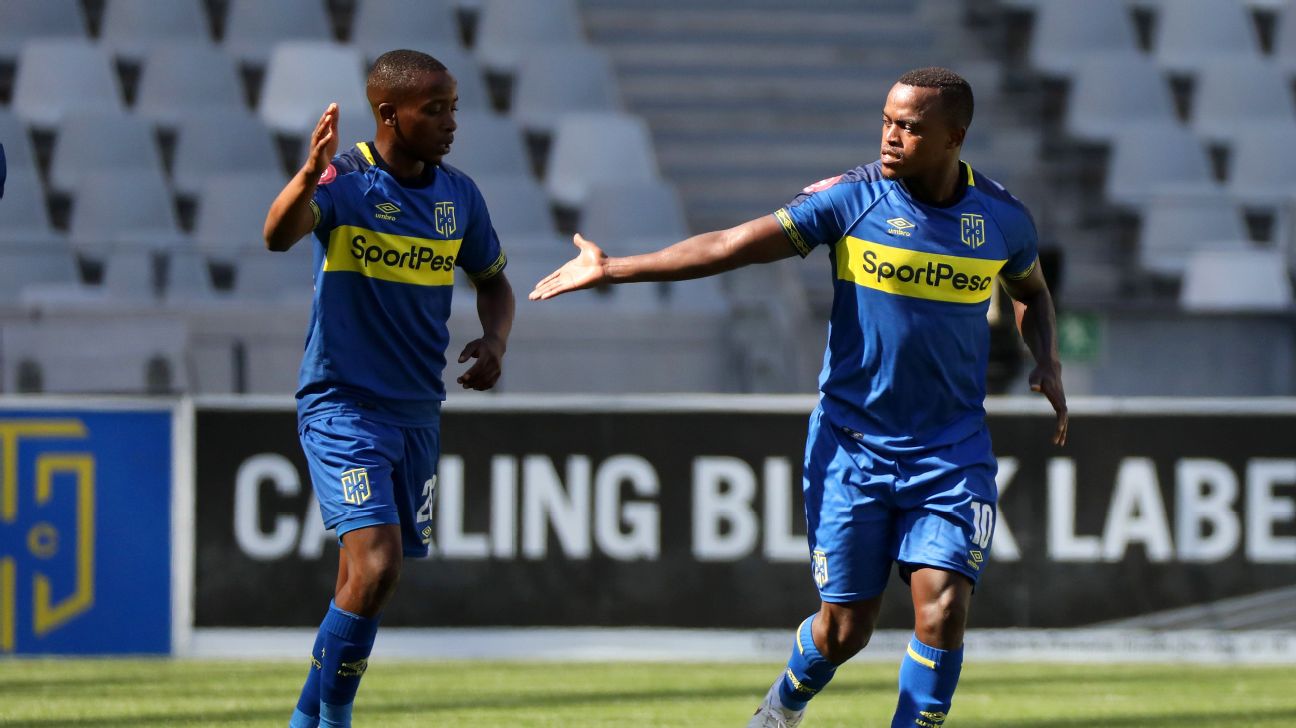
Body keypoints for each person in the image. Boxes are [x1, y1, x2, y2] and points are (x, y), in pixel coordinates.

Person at [530, 66, 1067, 727]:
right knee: (845, 630)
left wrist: (1047, 359)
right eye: (886, 121)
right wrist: (613, 267)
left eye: (909, 127)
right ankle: (784, 704)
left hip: (950, 450)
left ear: (954, 137)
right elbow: (731, 245)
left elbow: (1031, 290)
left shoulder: (1002, 219)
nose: (890, 137)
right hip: (851, 447)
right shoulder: (852, 200)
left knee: (945, 607)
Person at [263, 49, 514, 728]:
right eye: (435, 110)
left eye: (453, 107)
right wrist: (307, 175)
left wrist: (494, 341)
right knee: (378, 566)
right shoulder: (345, 182)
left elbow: (493, 282)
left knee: (359, 581)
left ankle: (305, 720)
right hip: (343, 405)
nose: (450, 122)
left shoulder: (459, 196)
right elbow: (277, 236)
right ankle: (335, 721)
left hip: (417, 412)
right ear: (389, 114)